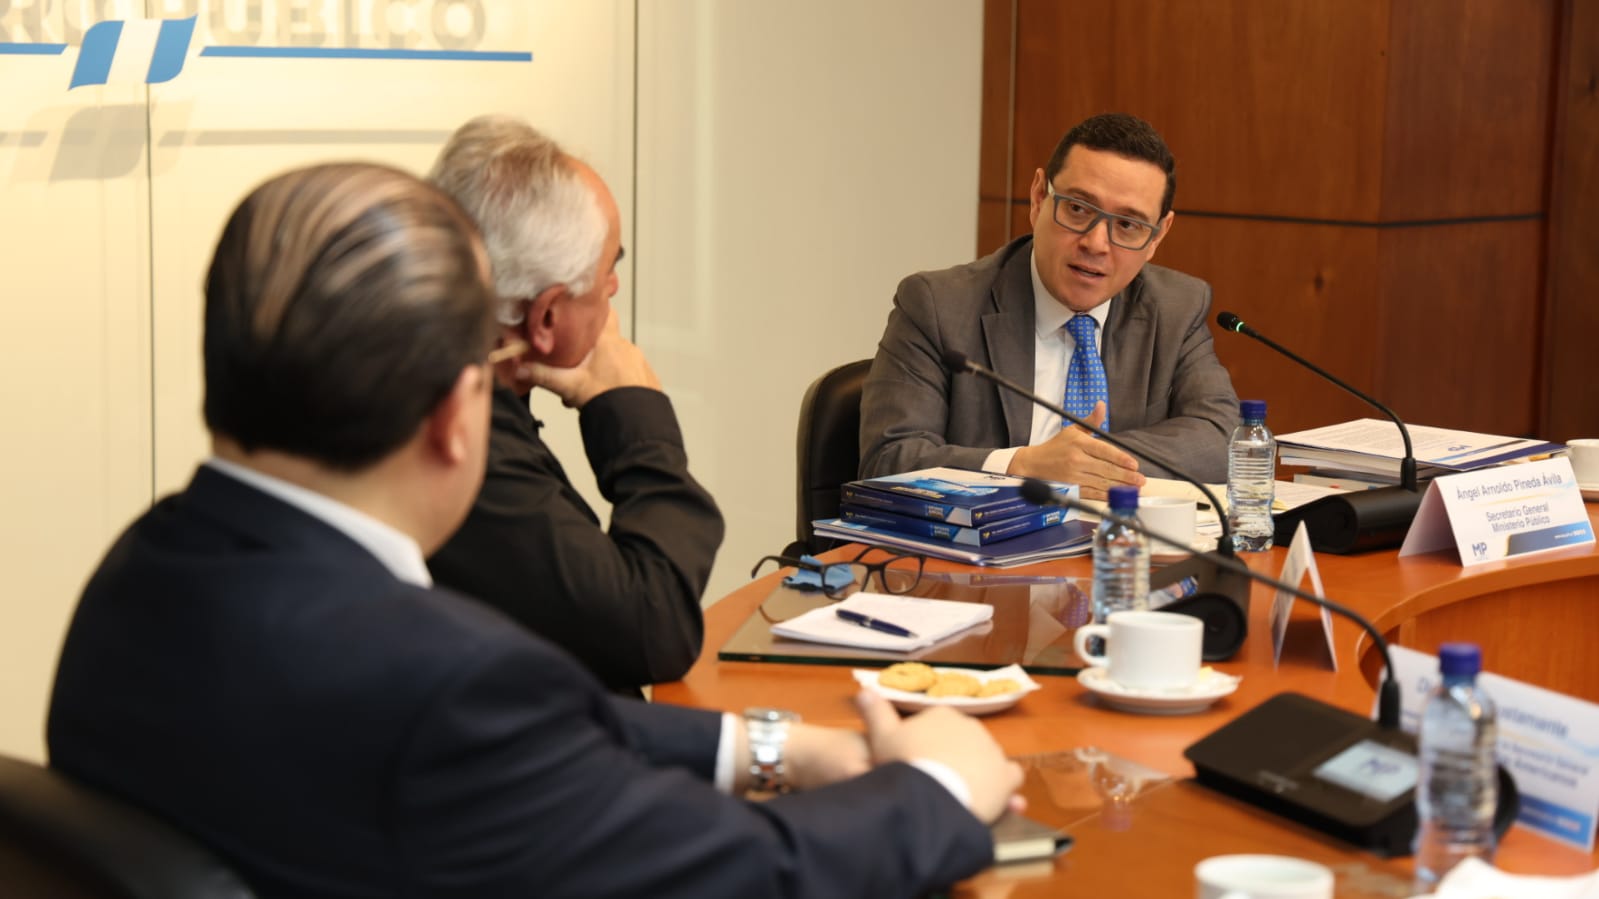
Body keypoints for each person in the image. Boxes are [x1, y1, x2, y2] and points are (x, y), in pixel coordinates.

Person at [46, 162, 1022, 898]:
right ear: (453, 414)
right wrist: (938, 784)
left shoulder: (141, 571)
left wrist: (767, 748)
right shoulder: (445, 683)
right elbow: (758, 872)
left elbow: (535, 724)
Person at [425, 116, 720, 696]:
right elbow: (652, 628)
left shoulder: (444, 383)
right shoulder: (462, 443)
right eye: (608, 268)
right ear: (547, 317)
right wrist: (635, 415)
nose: (613, 288)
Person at [860, 113, 1239, 497]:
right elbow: (889, 458)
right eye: (1078, 208)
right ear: (1039, 197)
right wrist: (1022, 465)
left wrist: (1090, 465)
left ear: (1158, 235)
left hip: (1114, 546)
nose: (1096, 243)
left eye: (1127, 225)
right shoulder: (938, 305)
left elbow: (1223, 438)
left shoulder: (1177, 307)